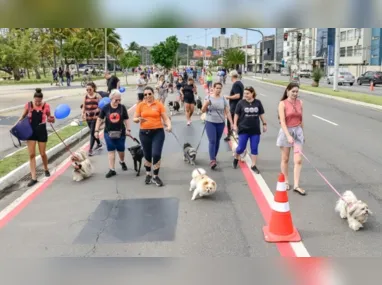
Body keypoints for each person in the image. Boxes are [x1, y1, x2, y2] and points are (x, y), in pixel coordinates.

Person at [133, 86, 172, 187]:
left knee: (156, 154)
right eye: (145, 94)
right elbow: (135, 118)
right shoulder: (141, 105)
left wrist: (169, 126)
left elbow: (166, 118)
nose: (147, 96)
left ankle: (155, 175)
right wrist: (138, 119)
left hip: (157, 132)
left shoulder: (158, 104)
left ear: (153, 93)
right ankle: (148, 174)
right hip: (144, 133)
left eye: (149, 94)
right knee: (147, 155)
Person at [15, 88, 54, 187]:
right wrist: (16, 125)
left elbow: (50, 119)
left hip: (41, 131)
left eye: (39, 101)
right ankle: (33, 177)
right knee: (32, 154)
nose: (37, 103)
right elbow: (22, 116)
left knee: (42, 153)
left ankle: (46, 168)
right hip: (31, 132)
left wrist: (51, 119)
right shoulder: (28, 105)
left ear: (42, 100)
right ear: (33, 99)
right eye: (35, 101)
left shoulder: (46, 106)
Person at [277, 82, 305, 195]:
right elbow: (282, 121)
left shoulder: (300, 102)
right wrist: (288, 136)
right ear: (287, 91)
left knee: (298, 160)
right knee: (285, 159)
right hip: (286, 132)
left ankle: (297, 185)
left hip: (298, 132)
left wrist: (303, 134)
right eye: (293, 91)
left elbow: (301, 119)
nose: (295, 93)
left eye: (297, 92)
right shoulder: (282, 104)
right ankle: (286, 181)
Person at [95, 90, 130, 178]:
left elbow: (126, 119)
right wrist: (96, 130)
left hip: (121, 133)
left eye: (119, 100)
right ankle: (112, 169)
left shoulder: (122, 107)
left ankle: (122, 161)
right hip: (108, 133)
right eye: (116, 100)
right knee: (111, 150)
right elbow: (99, 119)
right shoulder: (105, 108)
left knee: (121, 150)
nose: (118, 102)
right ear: (111, 99)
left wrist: (128, 129)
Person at [232, 86, 267, 173]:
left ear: (252, 93)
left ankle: (253, 165)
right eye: (245, 93)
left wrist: (264, 124)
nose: (245, 95)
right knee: (241, 148)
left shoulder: (258, 102)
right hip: (243, 129)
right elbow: (236, 115)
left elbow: (261, 114)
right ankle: (236, 156)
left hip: (255, 130)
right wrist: (235, 125)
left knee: (254, 148)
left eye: (247, 93)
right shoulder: (241, 103)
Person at [201, 82, 233, 170]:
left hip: (220, 122)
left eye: (220, 88)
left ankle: (213, 156)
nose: (218, 90)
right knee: (212, 140)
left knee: (217, 141)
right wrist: (206, 104)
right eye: (217, 88)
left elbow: (227, 112)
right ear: (213, 88)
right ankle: (212, 160)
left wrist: (232, 123)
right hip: (210, 122)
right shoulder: (208, 98)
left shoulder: (223, 99)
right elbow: (203, 110)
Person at [81, 82, 103, 156]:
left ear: (93, 88)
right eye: (87, 90)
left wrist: (98, 109)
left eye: (89, 89)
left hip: (96, 117)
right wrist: (83, 113)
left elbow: (102, 106)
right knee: (92, 132)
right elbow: (84, 106)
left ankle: (90, 149)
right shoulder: (86, 96)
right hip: (88, 117)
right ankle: (99, 143)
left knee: (92, 133)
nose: (88, 91)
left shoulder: (98, 96)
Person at [224, 71, 244, 141]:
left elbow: (237, 95)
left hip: (235, 105)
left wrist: (228, 97)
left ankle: (230, 134)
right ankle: (236, 133)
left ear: (232, 76)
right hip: (238, 104)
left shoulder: (236, 84)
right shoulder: (240, 83)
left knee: (230, 119)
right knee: (237, 120)